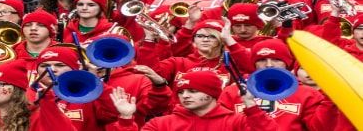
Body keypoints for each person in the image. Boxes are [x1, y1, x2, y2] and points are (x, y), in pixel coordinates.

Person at [109, 71, 277, 131]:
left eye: (193, 91)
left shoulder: (236, 122)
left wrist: (251, 107)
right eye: (181, 92)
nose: (185, 96)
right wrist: (125, 119)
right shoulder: (161, 125)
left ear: (212, 93)